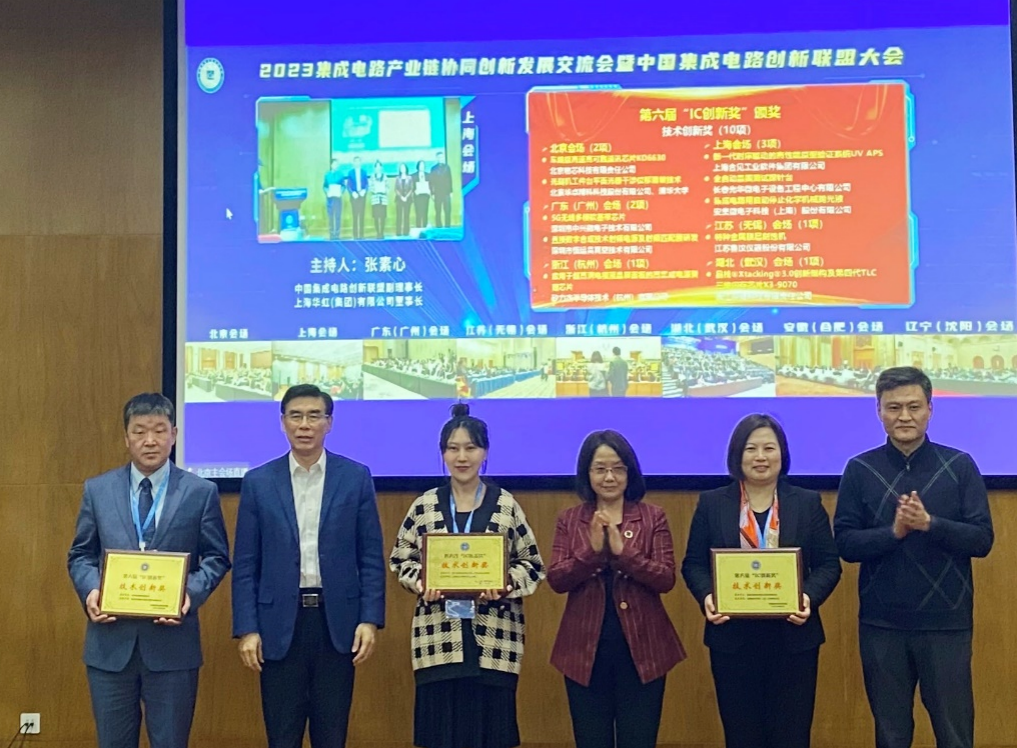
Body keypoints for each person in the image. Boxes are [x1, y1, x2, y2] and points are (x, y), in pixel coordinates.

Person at [833, 367, 993, 748]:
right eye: (893, 407)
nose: (904, 416)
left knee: (955, 733)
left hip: (946, 625)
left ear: (930, 409)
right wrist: (895, 532)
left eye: (913, 406)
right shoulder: (859, 469)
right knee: (891, 734)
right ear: (879, 411)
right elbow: (846, 544)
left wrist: (929, 524)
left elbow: (982, 539)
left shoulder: (959, 465)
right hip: (882, 625)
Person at [67, 393, 231, 748]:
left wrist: (189, 594)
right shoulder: (98, 490)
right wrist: (92, 590)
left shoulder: (200, 492)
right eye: (139, 431)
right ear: (126, 437)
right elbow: (80, 554)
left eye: (159, 430)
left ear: (174, 434)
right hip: (110, 646)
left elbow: (217, 557)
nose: (150, 440)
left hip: (173, 648)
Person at [232, 383, 386, 748]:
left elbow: (370, 556)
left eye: (314, 416)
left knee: (331, 733)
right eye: (296, 416)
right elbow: (246, 564)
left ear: (329, 423)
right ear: (283, 422)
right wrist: (248, 629)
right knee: (282, 734)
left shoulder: (355, 477)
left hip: (337, 623)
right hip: (278, 625)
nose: (305, 425)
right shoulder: (259, 482)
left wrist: (369, 619)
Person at [389, 403, 545, 748]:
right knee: (439, 736)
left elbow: (532, 565)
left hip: (496, 641)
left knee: (492, 735)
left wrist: (504, 584)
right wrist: (422, 582)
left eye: (470, 448)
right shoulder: (425, 504)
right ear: (443, 453)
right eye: (453, 448)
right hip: (437, 639)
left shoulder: (506, 504)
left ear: (484, 452)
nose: (462, 457)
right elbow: (401, 559)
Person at [681, 413, 842, 748]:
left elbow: (829, 565)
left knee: (792, 735)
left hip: (794, 639)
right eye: (751, 448)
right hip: (732, 640)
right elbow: (693, 565)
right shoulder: (712, 503)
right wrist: (708, 596)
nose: (760, 457)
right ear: (737, 455)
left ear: (782, 454)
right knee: (742, 735)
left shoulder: (807, 502)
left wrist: (807, 597)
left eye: (769, 448)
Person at [548, 430, 685, 748]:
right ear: (587, 473)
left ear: (629, 472)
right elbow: (556, 579)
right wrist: (592, 552)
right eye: (600, 469)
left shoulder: (652, 517)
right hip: (583, 653)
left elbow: (665, 579)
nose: (609, 477)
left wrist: (624, 553)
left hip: (644, 652)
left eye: (618, 469)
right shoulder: (570, 520)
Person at [428, 150, 453, 228]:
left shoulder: (447, 167)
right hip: (437, 193)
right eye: (439, 157)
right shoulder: (433, 168)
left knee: (447, 210)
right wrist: (432, 193)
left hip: (446, 192)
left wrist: (451, 191)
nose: (440, 158)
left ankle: (447, 226)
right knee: (438, 211)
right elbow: (431, 182)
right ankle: (439, 226)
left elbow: (450, 179)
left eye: (441, 157)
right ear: (437, 158)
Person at [346, 157, 369, 239]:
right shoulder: (350, 173)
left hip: (362, 196)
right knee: (355, 216)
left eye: (358, 161)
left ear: (360, 162)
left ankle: (361, 235)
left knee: (362, 215)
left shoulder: (364, 172)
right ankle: (355, 235)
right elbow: (348, 185)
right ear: (353, 163)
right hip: (354, 197)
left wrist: (364, 191)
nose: (357, 163)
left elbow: (367, 184)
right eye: (355, 161)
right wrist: (352, 193)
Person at [323, 158, 345, 240]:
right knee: (331, 217)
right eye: (334, 164)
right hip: (330, 200)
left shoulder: (341, 175)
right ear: (331, 165)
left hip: (338, 199)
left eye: (337, 164)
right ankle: (332, 234)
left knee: (338, 216)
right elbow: (324, 186)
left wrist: (341, 192)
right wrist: (327, 192)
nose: (336, 166)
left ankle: (337, 234)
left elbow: (343, 186)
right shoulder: (327, 175)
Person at [368, 160, 389, 239]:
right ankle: (378, 233)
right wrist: (375, 190)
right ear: (374, 168)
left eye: (379, 167)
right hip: (375, 199)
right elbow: (370, 187)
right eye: (376, 167)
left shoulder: (385, 176)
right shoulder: (372, 177)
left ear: (381, 168)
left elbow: (387, 187)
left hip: (383, 199)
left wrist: (384, 190)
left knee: (383, 216)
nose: (378, 168)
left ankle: (382, 232)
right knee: (376, 217)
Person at [394, 162, 414, 236]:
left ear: (406, 168)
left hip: (408, 199)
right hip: (399, 199)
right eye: (401, 168)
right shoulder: (397, 178)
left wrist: (406, 197)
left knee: (406, 216)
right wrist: (401, 197)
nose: (403, 169)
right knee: (399, 216)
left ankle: (406, 232)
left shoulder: (410, 178)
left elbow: (411, 188)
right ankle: (398, 232)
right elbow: (396, 189)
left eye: (404, 167)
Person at [413, 159, 431, 228]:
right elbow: (411, 186)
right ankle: (418, 227)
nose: (422, 167)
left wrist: (430, 191)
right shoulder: (413, 176)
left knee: (425, 212)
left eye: (423, 165)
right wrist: (414, 191)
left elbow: (431, 185)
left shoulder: (428, 175)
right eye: (420, 165)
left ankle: (424, 227)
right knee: (418, 213)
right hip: (417, 196)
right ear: (418, 166)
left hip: (425, 196)